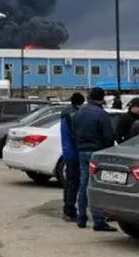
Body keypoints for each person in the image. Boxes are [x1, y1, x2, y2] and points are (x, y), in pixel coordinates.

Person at [72, 87, 116, 231]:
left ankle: (81, 217)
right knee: (97, 187)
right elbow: (108, 136)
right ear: (102, 98)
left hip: (82, 151)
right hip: (97, 152)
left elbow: (74, 132)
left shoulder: (78, 113)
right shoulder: (101, 114)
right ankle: (98, 220)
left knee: (83, 184)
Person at [59, 92, 85, 222]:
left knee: (70, 182)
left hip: (67, 152)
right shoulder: (74, 114)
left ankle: (67, 208)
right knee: (74, 182)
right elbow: (76, 134)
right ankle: (69, 210)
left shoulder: (66, 113)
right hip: (74, 152)